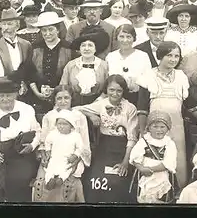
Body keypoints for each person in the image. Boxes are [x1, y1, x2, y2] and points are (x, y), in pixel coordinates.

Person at [137, 41, 197, 189]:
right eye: (169, 55)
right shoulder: (148, 75)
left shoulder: (181, 76)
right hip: (154, 127)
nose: (173, 59)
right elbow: (142, 107)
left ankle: (178, 190)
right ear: (160, 56)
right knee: (155, 157)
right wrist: (142, 129)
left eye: (176, 56)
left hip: (176, 127)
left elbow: (191, 105)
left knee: (178, 157)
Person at [73, 74, 139, 203]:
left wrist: (125, 163)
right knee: (93, 180)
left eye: (119, 90)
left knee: (118, 181)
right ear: (106, 90)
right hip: (103, 147)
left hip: (123, 149)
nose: (115, 94)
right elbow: (76, 109)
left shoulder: (130, 108)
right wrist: (91, 115)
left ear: (124, 91)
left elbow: (132, 138)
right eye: (111, 90)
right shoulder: (101, 104)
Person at [0, 76, 41, 202]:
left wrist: (32, 146)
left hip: (21, 155)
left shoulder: (27, 109)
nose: (5, 99)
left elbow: (38, 132)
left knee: (20, 178)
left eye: (9, 95)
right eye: (1, 95)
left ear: (16, 94)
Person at [32, 85, 90, 202]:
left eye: (66, 98)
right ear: (54, 100)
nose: (63, 101)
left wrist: (76, 160)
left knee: (68, 182)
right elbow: (44, 141)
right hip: (52, 157)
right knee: (41, 183)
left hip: (72, 158)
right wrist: (44, 155)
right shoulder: (49, 116)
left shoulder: (80, 117)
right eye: (59, 98)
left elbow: (84, 144)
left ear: (71, 99)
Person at [25, 12, 73, 121]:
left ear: (57, 30)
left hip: (62, 97)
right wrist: (37, 92)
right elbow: (29, 72)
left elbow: (71, 72)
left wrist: (59, 91)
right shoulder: (35, 47)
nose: (47, 33)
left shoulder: (68, 47)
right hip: (38, 96)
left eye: (50, 29)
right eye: (44, 30)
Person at [129, 110, 177, 204]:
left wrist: (150, 169)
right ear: (149, 128)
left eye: (162, 127)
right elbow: (134, 157)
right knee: (143, 197)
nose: (159, 130)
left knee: (160, 199)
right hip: (144, 174)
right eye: (155, 127)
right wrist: (141, 168)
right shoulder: (144, 141)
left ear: (168, 129)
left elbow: (168, 163)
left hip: (161, 175)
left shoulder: (169, 143)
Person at [60, 26, 110, 106]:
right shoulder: (71, 65)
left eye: (90, 45)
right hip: (74, 105)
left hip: (98, 104)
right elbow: (63, 88)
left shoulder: (104, 66)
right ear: (79, 49)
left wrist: (97, 102)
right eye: (83, 45)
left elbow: (108, 89)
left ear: (95, 49)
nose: (86, 49)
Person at [106, 24, 152, 106]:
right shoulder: (111, 57)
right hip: (114, 99)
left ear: (134, 38)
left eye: (128, 37)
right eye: (121, 36)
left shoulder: (142, 56)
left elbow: (148, 80)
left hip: (136, 99)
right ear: (116, 38)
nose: (125, 40)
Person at [42, 110, 85, 190]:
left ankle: (61, 179)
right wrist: (48, 151)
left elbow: (80, 147)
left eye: (65, 124)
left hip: (67, 159)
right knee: (50, 169)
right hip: (54, 157)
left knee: (67, 169)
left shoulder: (76, 136)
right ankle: (49, 181)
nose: (61, 126)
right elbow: (47, 142)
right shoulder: (53, 134)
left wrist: (75, 155)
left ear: (71, 125)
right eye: (59, 124)